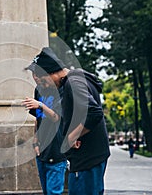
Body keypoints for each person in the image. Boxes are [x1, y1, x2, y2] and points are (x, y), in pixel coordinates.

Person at [33, 47, 110, 195]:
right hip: (90, 158)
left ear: (52, 72)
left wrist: (71, 137)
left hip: (87, 160)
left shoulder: (72, 83)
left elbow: (94, 112)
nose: (45, 85)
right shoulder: (77, 78)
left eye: (44, 80)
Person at [22, 60, 67, 194]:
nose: (35, 77)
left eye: (38, 73)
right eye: (33, 73)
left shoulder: (60, 89)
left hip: (57, 149)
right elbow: (38, 118)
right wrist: (35, 140)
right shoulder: (39, 90)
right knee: (47, 191)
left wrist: (40, 105)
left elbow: (57, 118)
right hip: (42, 150)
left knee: (54, 192)